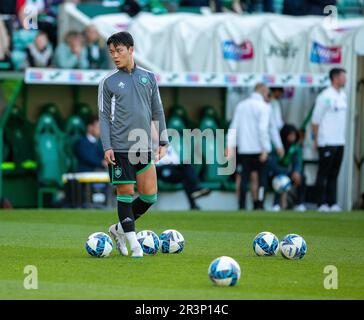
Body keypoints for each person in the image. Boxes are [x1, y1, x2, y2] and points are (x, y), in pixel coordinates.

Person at [98, 31, 168, 258]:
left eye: (119, 51)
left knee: (150, 196)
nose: (115, 56)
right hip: (119, 148)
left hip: (143, 146)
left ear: (131, 49)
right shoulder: (107, 82)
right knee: (125, 192)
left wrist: (163, 140)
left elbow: (157, 110)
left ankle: (118, 230)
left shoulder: (149, 77)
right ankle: (134, 245)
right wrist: (107, 146)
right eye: (111, 52)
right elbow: (103, 117)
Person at [226, 83, 271, 210]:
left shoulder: (241, 105)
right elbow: (263, 130)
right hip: (258, 149)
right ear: (262, 91)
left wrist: (229, 145)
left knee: (244, 179)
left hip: (244, 149)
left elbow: (233, 127)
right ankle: (260, 204)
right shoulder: (264, 107)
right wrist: (265, 149)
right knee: (261, 179)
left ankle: (242, 205)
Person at [311, 67, 347, 212]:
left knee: (334, 174)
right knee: (323, 173)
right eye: (343, 76)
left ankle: (332, 203)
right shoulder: (325, 96)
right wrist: (316, 140)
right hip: (326, 141)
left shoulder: (343, 95)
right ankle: (321, 203)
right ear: (335, 78)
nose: (345, 79)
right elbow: (315, 121)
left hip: (340, 141)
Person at [156, 144, 211, 210]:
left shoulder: (167, 145)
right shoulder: (150, 146)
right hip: (159, 170)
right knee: (185, 176)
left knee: (186, 169)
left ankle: (194, 201)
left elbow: (176, 160)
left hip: (172, 167)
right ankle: (195, 190)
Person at [268, 124, 306, 212]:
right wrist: (287, 172)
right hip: (274, 175)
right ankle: (276, 204)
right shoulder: (277, 146)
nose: (293, 137)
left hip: (288, 173)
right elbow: (272, 165)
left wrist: (296, 172)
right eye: (290, 135)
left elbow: (297, 162)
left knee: (302, 177)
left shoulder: (295, 148)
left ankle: (299, 203)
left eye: (294, 135)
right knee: (281, 178)